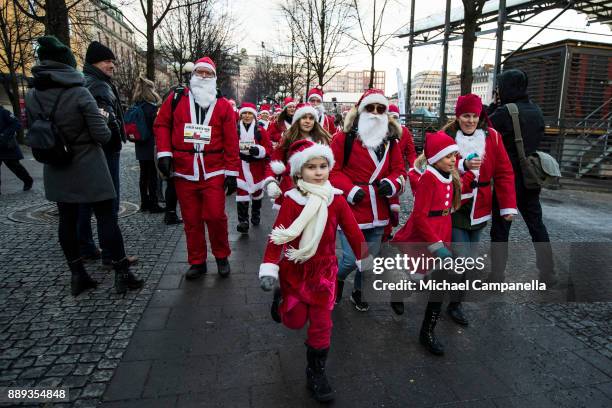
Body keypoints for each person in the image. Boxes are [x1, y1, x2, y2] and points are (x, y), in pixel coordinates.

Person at [25, 36, 143, 296]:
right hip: (88, 163)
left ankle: (78, 275)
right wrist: (106, 118)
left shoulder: (32, 93)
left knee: (67, 220)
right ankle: (122, 273)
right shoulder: (79, 91)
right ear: (68, 63)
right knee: (106, 216)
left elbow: (32, 129)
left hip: (56, 164)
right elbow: (102, 135)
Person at [258, 139, 368, 402]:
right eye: (311, 167)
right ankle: (281, 299)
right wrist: (269, 268)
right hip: (295, 271)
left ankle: (316, 372)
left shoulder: (337, 201)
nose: (319, 172)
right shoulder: (292, 200)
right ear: (299, 172)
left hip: (324, 273)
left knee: (322, 325)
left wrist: (365, 259)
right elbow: (278, 236)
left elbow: (353, 231)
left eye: (323, 166)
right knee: (294, 321)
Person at [154, 56, 240, 280]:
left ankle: (221, 256)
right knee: (191, 220)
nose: (203, 76)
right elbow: (162, 124)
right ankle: (197, 261)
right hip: (184, 169)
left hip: (213, 169)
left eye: (208, 73)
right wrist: (164, 153)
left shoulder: (223, 106)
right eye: (199, 72)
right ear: (192, 76)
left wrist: (232, 173)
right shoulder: (175, 99)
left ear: (214, 78)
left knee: (215, 216)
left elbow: (232, 141)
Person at [330, 89, 407, 312]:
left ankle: (358, 292)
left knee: (368, 260)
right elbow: (333, 171)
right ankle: (336, 280)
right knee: (350, 259)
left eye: (380, 109)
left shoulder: (391, 141)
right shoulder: (343, 138)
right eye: (370, 108)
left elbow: (400, 171)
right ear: (360, 111)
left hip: (379, 212)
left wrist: (392, 183)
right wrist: (351, 190)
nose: (375, 113)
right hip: (352, 210)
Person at [443, 93, 517, 326]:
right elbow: (431, 164)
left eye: (474, 116)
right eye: (466, 115)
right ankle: (455, 305)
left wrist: (507, 206)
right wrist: (461, 165)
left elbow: (504, 172)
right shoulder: (446, 137)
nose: (470, 120)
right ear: (458, 116)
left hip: (480, 207)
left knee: (468, 259)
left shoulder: (492, 137)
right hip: (455, 205)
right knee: (461, 258)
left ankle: (453, 294)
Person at [392, 131, 462, 355]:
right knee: (417, 277)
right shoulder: (429, 178)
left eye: (454, 155)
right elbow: (420, 216)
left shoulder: (448, 174)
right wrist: (436, 244)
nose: (453, 160)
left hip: (442, 230)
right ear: (435, 158)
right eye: (448, 156)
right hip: (425, 236)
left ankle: (427, 332)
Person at [487, 69, 556, 285]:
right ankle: (548, 273)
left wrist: (492, 107)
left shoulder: (506, 112)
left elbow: (485, 130)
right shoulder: (536, 110)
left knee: (500, 229)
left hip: (508, 179)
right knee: (536, 225)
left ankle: (497, 277)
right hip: (530, 177)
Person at [77, 41, 137, 267]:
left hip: (89, 152)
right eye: (107, 61)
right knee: (108, 204)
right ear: (94, 63)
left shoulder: (86, 81)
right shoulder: (100, 86)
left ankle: (86, 246)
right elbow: (106, 123)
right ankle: (111, 254)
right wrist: (114, 136)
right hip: (105, 151)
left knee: (86, 201)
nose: (112, 65)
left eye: (113, 61)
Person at [264, 103, 332, 210]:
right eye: (304, 117)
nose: (307, 121)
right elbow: (273, 162)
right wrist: (270, 182)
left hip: (316, 189)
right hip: (291, 188)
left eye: (311, 118)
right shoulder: (287, 139)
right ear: (297, 120)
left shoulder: (322, 140)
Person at [236, 102, 272, 233]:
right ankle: (243, 221)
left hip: (256, 166)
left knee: (257, 193)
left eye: (249, 113)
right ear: (240, 115)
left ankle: (256, 213)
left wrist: (258, 151)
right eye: (244, 113)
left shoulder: (260, 131)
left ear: (254, 115)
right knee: (242, 193)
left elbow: (268, 148)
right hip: (240, 165)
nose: (246, 116)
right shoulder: (235, 129)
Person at [132, 76, 165, 213]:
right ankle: (153, 204)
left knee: (143, 175)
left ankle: (144, 202)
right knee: (152, 174)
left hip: (140, 145)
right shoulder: (151, 108)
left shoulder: (136, 105)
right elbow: (157, 127)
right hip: (151, 144)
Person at [0, 105, 33, 193]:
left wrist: (4, 135)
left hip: (6, 145)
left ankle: (27, 180)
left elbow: (16, 124)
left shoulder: (4, 112)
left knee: (14, 166)